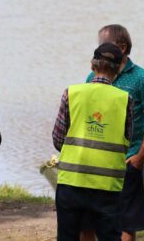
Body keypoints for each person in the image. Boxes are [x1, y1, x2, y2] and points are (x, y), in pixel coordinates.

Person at [85, 24, 144, 241]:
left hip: (127, 162)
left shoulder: (142, 79)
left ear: (122, 46)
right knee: (89, 220)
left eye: (104, 44)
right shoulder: (92, 77)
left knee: (126, 223)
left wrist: (139, 157)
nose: (99, 49)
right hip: (97, 162)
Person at [53, 43, 134, 241]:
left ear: (92, 65)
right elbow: (126, 142)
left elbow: (58, 139)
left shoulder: (71, 93)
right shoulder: (125, 99)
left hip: (72, 181)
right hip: (107, 186)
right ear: (118, 69)